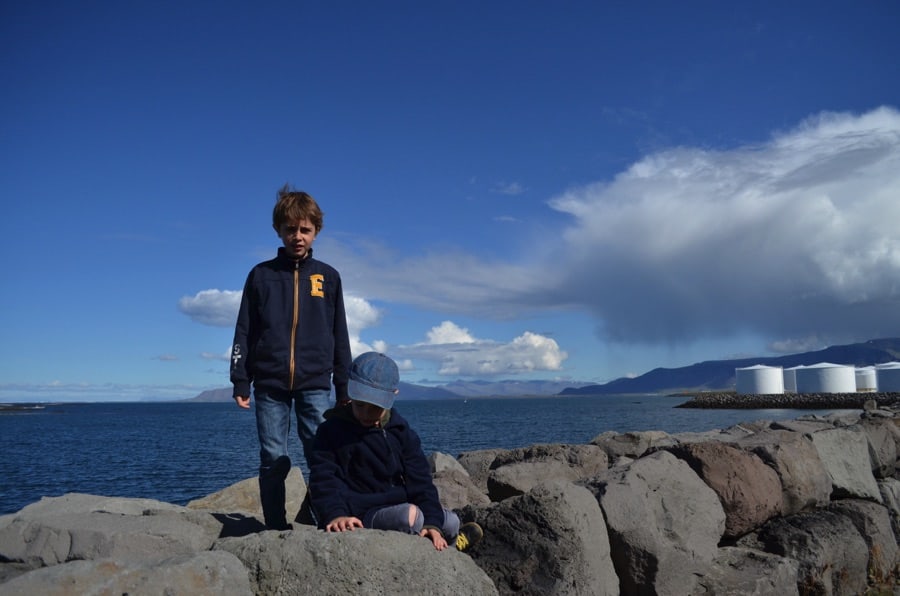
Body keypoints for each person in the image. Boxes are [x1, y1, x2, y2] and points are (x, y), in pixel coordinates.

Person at [230, 184, 352, 530]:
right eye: (290, 229)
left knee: (320, 453)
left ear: (316, 231)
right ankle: (275, 526)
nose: (297, 236)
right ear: (278, 230)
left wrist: (344, 387)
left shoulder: (328, 277)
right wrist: (240, 379)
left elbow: (339, 334)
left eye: (305, 230)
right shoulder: (261, 275)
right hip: (270, 383)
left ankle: (327, 517)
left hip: (316, 382)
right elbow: (244, 330)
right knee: (273, 457)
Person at [308, 351, 483, 552]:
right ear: (350, 391)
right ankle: (434, 551)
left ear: (393, 395)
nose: (365, 414)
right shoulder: (331, 430)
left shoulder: (401, 432)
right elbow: (323, 479)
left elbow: (421, 482)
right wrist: (335, 514)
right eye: (359, 404)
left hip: (400, 503)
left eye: (375, 407)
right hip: (359, 513)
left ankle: (449, 552)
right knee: (410, 517)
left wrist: (432, 524)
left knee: (450, 521)